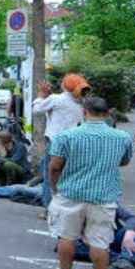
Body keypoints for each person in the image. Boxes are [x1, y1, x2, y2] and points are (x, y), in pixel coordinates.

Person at [48, 96, 135, 269]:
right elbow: (123, 161)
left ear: (84, 112)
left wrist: (55, 188)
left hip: (70, 193)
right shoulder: (122, 137)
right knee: (100, 242)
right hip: (103, 195)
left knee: (66, 237)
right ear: (107, 114)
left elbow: (55, 166)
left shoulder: (66, 136)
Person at [32, 74, 89, 209]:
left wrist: (41, 95)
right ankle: (67, 204)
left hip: (55, 143)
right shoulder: (82, 103)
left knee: (49, 175)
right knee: (68, 175)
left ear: (64, 86)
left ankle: (49, 207)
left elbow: (37, 109)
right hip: (74, 144)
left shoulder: (56, 99)